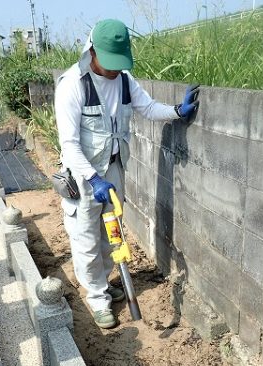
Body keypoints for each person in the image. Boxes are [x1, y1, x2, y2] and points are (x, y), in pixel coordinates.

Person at [54, 19, 199, 329]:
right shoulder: (73, 85)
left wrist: (176, 111)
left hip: (115, 170)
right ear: (91, 52)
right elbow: (69, 144)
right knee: (86, 240)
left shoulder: (124, 80)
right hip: (83, 178)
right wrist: (93, 179)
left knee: (111, 235)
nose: (114, 70)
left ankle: (104, 284)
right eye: (109, 64)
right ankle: (96, 298)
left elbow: (147, 108)